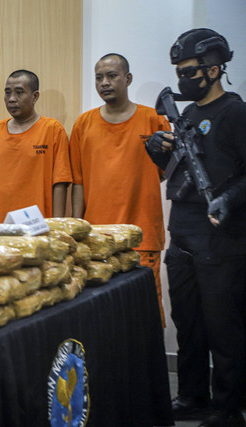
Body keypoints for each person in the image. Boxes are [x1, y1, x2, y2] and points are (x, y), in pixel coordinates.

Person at [146, 28, 246, 427]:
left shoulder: (236, 113)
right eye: (179, 71)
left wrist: (229, 198)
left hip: (223, 232)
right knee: (189, 320)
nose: (183, 78)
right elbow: (175, 172)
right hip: (183, 227)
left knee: (224, 324)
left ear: (216, 69)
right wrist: (157, 152)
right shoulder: (186, 114)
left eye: (191, 71)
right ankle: (192, 396)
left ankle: (228, 406)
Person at [69, 53, 170, 323]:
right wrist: (78, 233)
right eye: (99, 77)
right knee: (100, 316)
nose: (105, 82)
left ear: (128, 79)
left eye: (112, 76)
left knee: (144, 312)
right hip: (97, 239)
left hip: (142, 236)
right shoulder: (83, 124)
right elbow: (77, 182)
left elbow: (164, 172)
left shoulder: (154, 120)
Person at [0, 69, 72, 223]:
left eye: (19, 92)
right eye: (7, 93)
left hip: (37, 227)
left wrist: (57, 227)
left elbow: (60, 183)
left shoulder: (52, 129)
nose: (11, 99)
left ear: (35, 96)